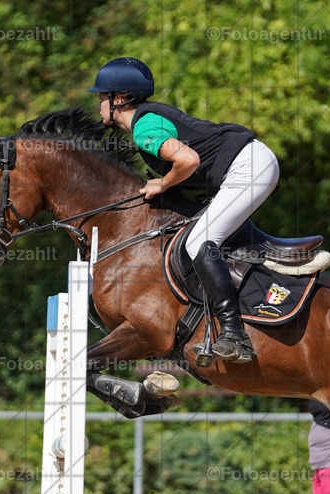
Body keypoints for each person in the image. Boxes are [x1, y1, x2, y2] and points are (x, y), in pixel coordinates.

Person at [87, 57, 281, 363]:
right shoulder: (147, 121)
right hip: (249, 165)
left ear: (118, 100)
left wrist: (162, 184)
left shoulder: (143, 126)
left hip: (248, 169)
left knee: (198, 242)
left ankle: (234, 335)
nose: (98, 106)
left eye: (101, 98)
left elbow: (187, 161)